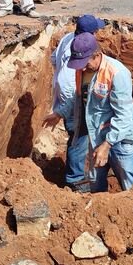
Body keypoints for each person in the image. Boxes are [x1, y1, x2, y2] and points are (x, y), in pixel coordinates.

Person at [43, 33, 133, 193]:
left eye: (84, 62)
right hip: (98, 136)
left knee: (129, 189)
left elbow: (124, 115)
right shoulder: (82, 70)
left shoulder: (116, 73)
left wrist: (107, 144)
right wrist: (60, 112)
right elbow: (78, 95)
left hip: (122, 141)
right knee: (96, 185)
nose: (81, 67)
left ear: (97, 55)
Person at [49, 15, 108, 191]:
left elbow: (53, 59)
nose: (97, 34)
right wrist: (70, 107)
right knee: (79, 138)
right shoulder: (75, 53)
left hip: (65, 96)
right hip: (71, 100)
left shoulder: (68, 38)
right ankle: (75, 180)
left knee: (78, 138)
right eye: (95, 31)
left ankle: (77, 175)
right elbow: (68, 82)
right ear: (89, 34)